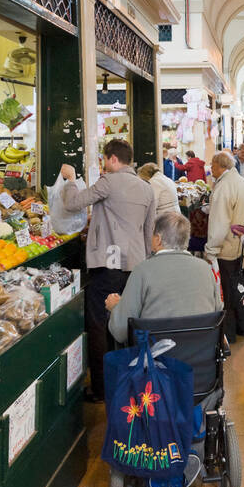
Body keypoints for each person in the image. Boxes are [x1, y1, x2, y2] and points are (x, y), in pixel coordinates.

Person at [59, 139, 157, 401]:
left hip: (108, 265)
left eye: (104, 159)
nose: (104, 163)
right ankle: (139, 381)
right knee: (133, 321)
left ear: (113, 159)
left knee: (99, 324)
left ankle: (102, 389)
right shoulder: (147, 189)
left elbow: (72, 203)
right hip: (136, 265)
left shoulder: (108, 181)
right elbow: (148, 232)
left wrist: (69, 180)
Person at [105, 213, 222, 341]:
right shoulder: (205, 269)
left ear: (158, 239)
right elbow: (218, 315)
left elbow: (120, 331)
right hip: (201, 354)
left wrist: (116, 308)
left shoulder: (142, 271)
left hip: (155, 356)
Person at [204, 151, 244, 343]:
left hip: (226, 246)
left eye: (212, 165)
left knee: (226, 291)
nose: (210, 169)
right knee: (237, 287)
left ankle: (229, 334)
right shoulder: (240, 181)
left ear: (219, 165)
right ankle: (243, 327)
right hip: (238, 244)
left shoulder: (224, 186)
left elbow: (219, 222)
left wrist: (211, 249)